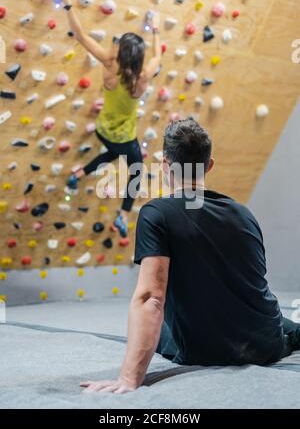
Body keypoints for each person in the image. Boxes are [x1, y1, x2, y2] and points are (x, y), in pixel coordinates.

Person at [80, 118, 300, 394]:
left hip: (203, 349)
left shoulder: (156, 214)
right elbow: (252, 286)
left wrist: (128, 378)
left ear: (164, 166)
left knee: (156, 334)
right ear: (209, 165)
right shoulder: (244, 213)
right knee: (285, 323)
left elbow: (151, 298)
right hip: (265, 345)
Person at [53, 0, 162, 237]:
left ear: (121, 53)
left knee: (113, 152)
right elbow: (159, 55)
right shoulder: (143, 77)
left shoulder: (109, 64)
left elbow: (80, 36)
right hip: (123, 137)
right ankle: (123, 215)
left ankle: (79, 173)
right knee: (137, 169)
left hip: (102, 130)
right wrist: (155, 26)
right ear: (138, 58)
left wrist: (67, 0)